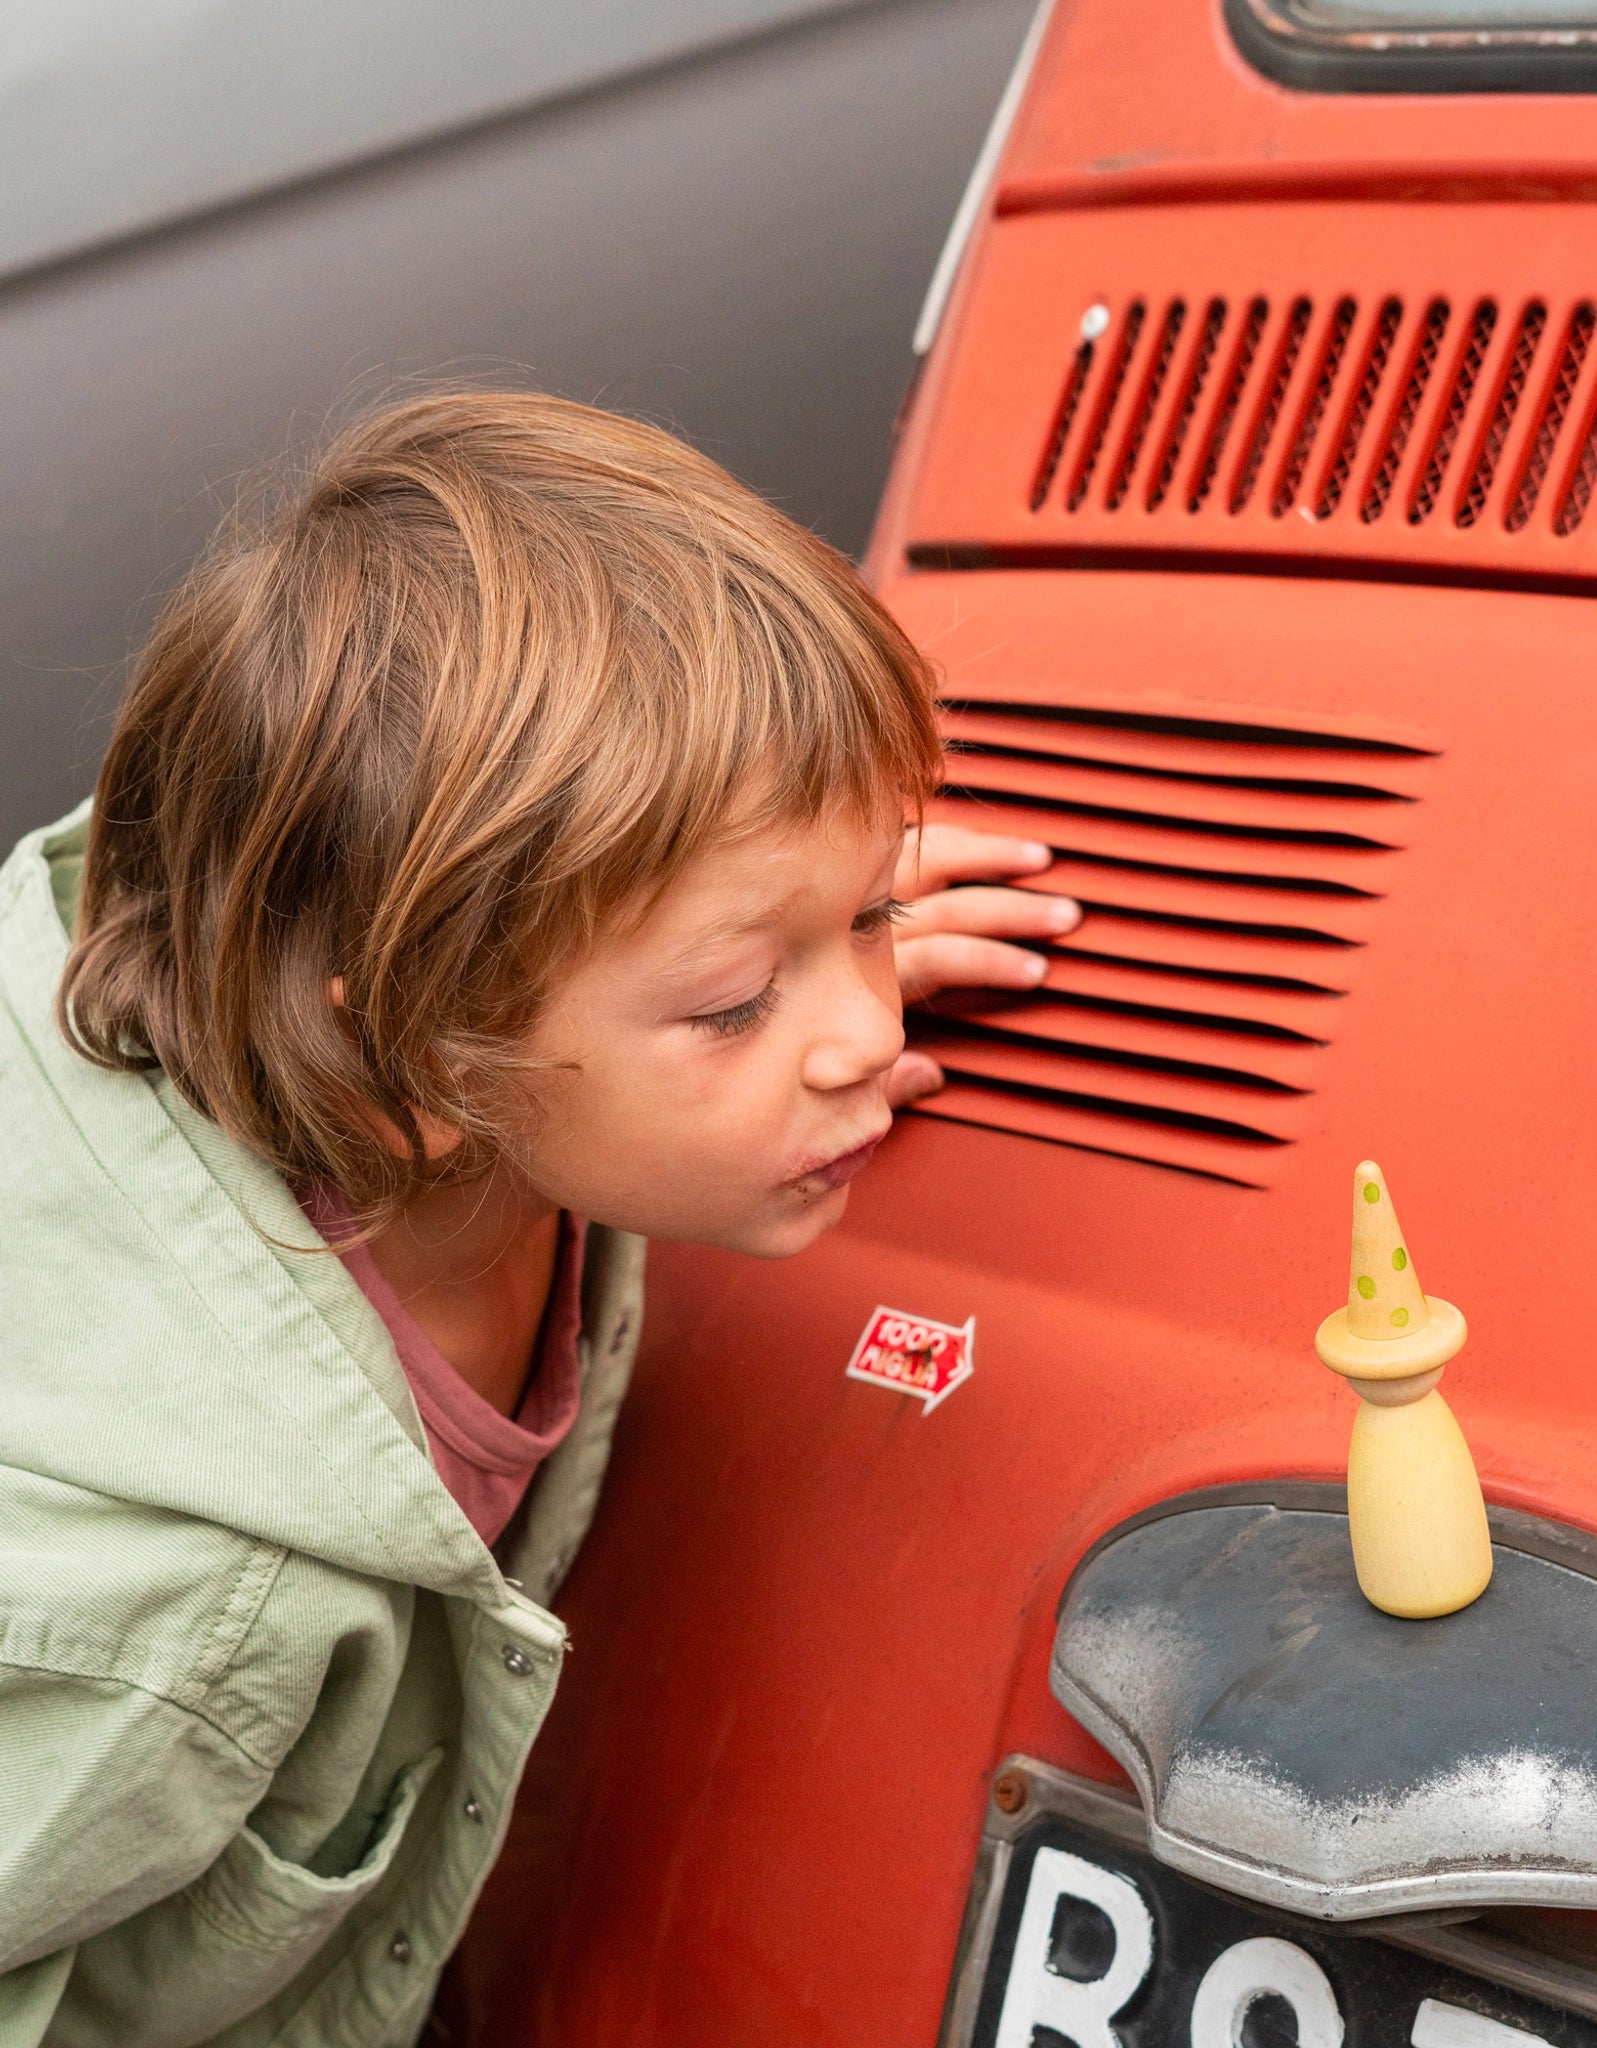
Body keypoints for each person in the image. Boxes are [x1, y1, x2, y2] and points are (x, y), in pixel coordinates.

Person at [0, 391, 1078, 2044]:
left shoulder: (423, 1041)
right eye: (732, 1003)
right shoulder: (179, 1623)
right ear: (415, 1068)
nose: (868, 1032)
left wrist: (769, 961)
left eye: (875, 908)